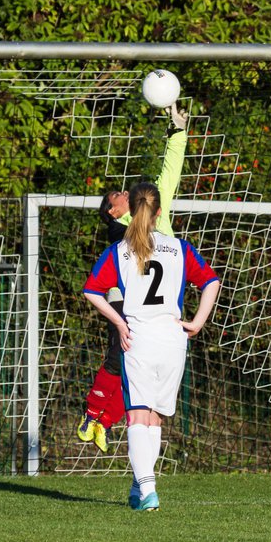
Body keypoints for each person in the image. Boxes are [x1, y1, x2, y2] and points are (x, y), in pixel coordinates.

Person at [83, 181, 221, 510]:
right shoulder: (179, 247)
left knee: (137, 417)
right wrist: (198, 322)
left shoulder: (119, 250)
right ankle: (139, 487)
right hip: (173, 342)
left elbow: (91, 291)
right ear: (159, 212)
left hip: (140, 340)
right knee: (154, 418)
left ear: (132, 209)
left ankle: (148, 489)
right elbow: (211, 282)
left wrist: (119, 323)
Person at [77, 101, 189, 455]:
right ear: (114, 210)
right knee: (119, 355)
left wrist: (178, 132)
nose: (125, 193)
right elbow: (109, 278)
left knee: (142, 374)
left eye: (128, 191)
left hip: (163, 311)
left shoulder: (160, 217)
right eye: (118, 195)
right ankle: (92, 414)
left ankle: (103, 421)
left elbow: (169, 172)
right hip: (125, 302)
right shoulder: (117, 233)